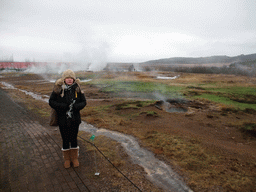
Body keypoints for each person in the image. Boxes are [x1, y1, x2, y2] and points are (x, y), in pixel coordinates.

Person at [49, 69, 86, 168]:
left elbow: (84, 102)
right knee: (65, 139)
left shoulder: (78, 89)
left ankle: (74, 158)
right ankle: (67, 159)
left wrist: (76, 107)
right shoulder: (58, 89)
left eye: (71, 78)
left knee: (74, 139)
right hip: (63, 120)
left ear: (74, 80)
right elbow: (51, 101)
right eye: (67, 78)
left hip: (75, 120)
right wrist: (62, 106)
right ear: (64, 79)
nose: (69, 80)